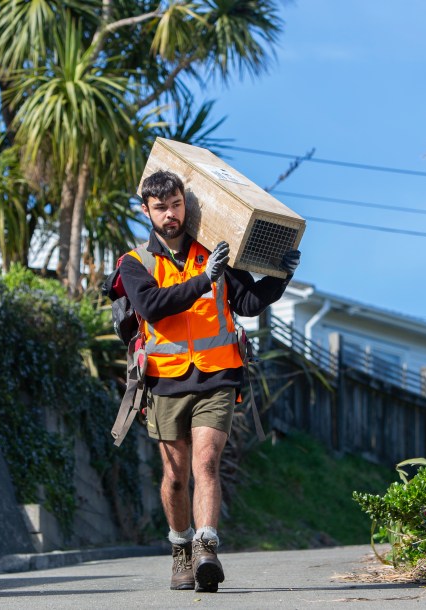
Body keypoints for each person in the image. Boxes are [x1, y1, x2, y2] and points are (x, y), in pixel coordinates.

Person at [118, 169, 300, 593]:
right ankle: (181, 548)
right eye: (161, 208)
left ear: (186, 204)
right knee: (175, 476)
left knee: (206, 463)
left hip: (217, 375)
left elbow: (248, 302)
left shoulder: (213, 252)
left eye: (176, 205)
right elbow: (153, 306)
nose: (171, 214)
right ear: (146, 211)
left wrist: (281, 277)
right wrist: (204, 280)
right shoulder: (135, 262)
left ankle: (206, 548)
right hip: (164, 381)